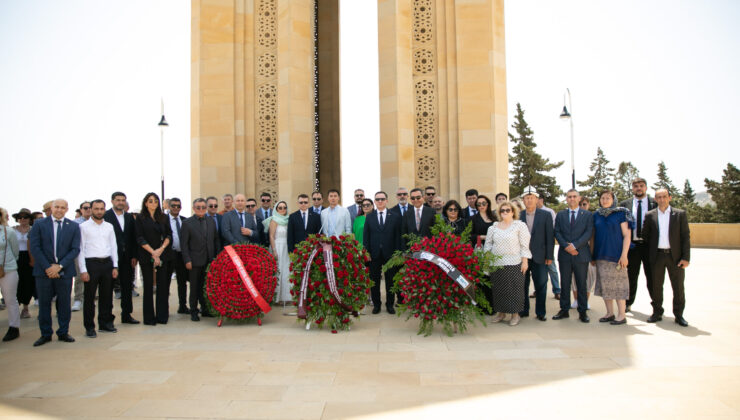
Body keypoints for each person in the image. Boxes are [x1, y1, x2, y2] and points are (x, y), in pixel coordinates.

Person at [28, 199, 81, 346]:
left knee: (64, 304)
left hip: (65, 271)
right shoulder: (39, 225)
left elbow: (75, 249)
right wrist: (49, 267)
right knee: (44, 304)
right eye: (56, 207)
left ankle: (63, 332)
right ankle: (45, 334)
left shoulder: (74, 226)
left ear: (67, 209)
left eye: (62, 207)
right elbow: (35, 247)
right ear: (51, 208)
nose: (59, 210)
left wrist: (60, 266)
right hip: (43, 271)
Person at [642, 188, 691, 327]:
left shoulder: (680, 214)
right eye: (659, 197)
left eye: (664, 196)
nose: (662, 199)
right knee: (656, 286)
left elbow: (685, 237)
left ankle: (679, 315)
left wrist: (686, 258)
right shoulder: (650, 215)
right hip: (657, 256)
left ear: (669, 197)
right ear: (655, 199)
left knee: (678, 287)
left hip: (675, 257)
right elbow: (646, 236)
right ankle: (657, 312)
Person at [484, 201, 532, 326]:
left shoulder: (519, 226)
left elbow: (524, 245)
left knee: (514, 290)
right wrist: (486, 261)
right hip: (497, 264)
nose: (505, 212)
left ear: (513, 212)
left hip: (514, 263)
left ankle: (515, 315)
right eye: (502, 210)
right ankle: (501, 313)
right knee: (499, 290)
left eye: (507, 210)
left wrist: (525, 261)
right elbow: (488, 245)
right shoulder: (493, 227)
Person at [77, 200, 119, 337]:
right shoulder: (83, 227)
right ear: (91, 210)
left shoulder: (109, 226)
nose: (99, 211)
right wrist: (83, 270)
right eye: (96, 209)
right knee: (89, 298)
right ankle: (89, 327)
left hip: (107, 263)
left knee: (107, 296)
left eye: (101, 209)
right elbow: (81, 250)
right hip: (91, 264)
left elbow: (114, 247)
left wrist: (115, 266)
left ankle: (105, 323)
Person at [590, 190, 632, 325]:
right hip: (601, 255)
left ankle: (621, 315)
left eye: (608, 198)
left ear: (613, 199)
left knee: (619, 287)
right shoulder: (596, 215)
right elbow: (593, 236)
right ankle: (609, 313)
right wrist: (593, 255)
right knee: (605, 287)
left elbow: (627, 235)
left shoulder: (621, 213)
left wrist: (624, 255)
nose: (605, 200)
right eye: (602, 198)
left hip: (616, 256)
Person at [553, 189, 594, 323]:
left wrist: (575, 246)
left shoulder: (587, 215)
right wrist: (567, 246)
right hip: (565, 254)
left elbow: (588, 233)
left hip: (581, 254)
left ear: (579, 198)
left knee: (582, 284)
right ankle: (564, 310)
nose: (572, 199)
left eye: (574, 196)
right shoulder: (561, 215)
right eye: (569, 196)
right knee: (565, 283)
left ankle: (582, 311)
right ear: (566, 199)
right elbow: (557, 232)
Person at [619, 177, 657, 311]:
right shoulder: (625, 205)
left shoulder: (655, 203)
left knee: (652, 277)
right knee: (630, 276)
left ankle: (656, 305)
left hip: (649, 247)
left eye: (641, 186)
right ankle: (628, 303)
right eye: (636, 186)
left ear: (646, 187)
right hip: (632, 246)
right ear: (632, 188)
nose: (639, 188)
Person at [135, 193, 173, 325]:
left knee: (163, 287)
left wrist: (160, 250)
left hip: (163, 254)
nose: (153, 203)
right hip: (147, 255)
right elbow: (139, 237)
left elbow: (169, 234)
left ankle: (162, 316)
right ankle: (149, 318)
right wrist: (153, 253)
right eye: (150, 201)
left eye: (155, 201)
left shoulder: (163, 217)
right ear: (145, 203)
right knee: (148, 287)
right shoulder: (140, 218)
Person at [519, 187, 554, 322]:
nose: (529, 200)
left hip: (540, 256)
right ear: (523, 200)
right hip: (523, 257)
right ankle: (524, 310)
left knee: (541, 284)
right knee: (523, 284)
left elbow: (549, 237)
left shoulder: (545, 215)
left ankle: (541, 312)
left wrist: (549, 256)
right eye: (526, 198)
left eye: (532, 198)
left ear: (536, 199)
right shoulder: (519, 215)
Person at [363, 191, 402, 314]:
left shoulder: (395, 216)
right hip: (374, 254)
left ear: (386, 200)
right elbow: (366, 236)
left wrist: (397, 254)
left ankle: (390, 304)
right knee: (374, 280)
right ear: (375, 201)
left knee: (390, 280)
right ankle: (377, 305)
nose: (380, 201)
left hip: (390, 254)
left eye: (382, 199)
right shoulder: (369, 217)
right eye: (377, 199)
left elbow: (398, 236)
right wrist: (367, 252)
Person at [104, 191, 139, 324]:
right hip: (110, 258)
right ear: (112, 201)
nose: (120, 202)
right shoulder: (106, 216)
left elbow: (134, 237)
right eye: (118, 200)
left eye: (123, 200)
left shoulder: (129, 217)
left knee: (127, 287)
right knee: (108, 289)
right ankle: (107, 317)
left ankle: (127, 315)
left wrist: (134, 255)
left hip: (127, 258)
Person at [181, 198, 219, 321]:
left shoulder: (211, 221)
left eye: (203, 207)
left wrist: (215, 257)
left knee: (205, 286)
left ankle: (205, 309)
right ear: (194, 208)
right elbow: (184, 244)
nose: (201, 209)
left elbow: (215, 239)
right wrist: (187, 260)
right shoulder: (187, 223)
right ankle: (193, 310)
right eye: (198, 207)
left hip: (208, 260)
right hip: (194, 261)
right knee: (194, 287)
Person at [470, 195, 495, 315]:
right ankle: (481, 307)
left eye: (483, 203)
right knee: (481, 279)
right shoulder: (473, 219)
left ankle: (492, 306)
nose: (481, 206)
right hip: (480, 251)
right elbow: (470, 236)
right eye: (478, 204)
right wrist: (483, 237)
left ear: (488, 204)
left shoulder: (495, 217)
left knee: (492, 279)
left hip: (493, 252)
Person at [165, 197, 190, 315]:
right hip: (168, 255)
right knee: (165, 283)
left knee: (182, 282)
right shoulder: (163, 220)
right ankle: (164, 308)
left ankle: (182, 306)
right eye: (173, 206)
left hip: (181, 255)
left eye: (178, 206)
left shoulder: (184, 220)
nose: (176, 208)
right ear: (169, 207)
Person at [571, 197, 596, 309]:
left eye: (584, 204)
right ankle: (576, 300)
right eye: (580, 204)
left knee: (589, 278)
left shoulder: (592, 217)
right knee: (574, 278)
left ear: (588, 205)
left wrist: (593, 255)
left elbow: (593, 238)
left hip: (587, 253)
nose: (582, 206)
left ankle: (585, 301)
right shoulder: (572, 216)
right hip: (573, 252)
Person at [1, 207, 21, 341]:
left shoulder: (8, 232)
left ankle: (14, 327)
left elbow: (15, 252)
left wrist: (6, 264)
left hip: (8, 270)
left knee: (10, 299)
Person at [264, 201, 291, 303]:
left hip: (286, 247)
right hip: (277, 246)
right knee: (278, 270)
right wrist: (274, 250)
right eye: (280, 208)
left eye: (284, 207)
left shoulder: (288, 219)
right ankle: (277, 298)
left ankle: (286, 297)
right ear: (276, 209)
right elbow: (271, 236)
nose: (282, 209)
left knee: (286, 270)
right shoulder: (273, 220)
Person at [537, 193, 561, 299]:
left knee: (552, 268)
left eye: (536, 198)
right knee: (537, 270)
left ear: (541, 200)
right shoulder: (530, 212)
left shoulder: (549, 212)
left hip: (547, 244)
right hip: (536, 245)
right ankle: (537, 290)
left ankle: (557, 290)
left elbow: (553, 228)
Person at [12, 208, 34, 319]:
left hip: (29, 257)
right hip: (15, 258)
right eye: (20, 217)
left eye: (25, 217)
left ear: (29, 219)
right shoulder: (12, 230)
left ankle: (25, 308)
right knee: (16, 283)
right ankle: (15, 307)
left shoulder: (33, 230)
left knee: (28, 283)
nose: (22, 219)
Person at [71, 201, 91, 312]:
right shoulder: (75, 223)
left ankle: (89, 299)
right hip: (79, 254)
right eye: (85, 208)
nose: (88, 209)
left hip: (93, 254)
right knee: (79, 277)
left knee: (92, 278)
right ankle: (78, 299)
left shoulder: (98, 222)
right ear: (81, 210)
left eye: (90, 207)